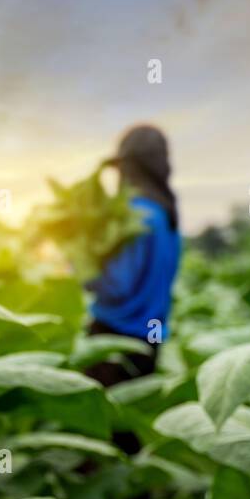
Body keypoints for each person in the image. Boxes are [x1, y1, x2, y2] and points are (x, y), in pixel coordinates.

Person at [84, 124, 182, 389]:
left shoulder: (133, 213)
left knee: (105, 425)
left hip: (114, 338)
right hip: (151, 338)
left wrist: (82, 267)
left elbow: (117, 285)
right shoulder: (166, 214)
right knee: (131, 425)